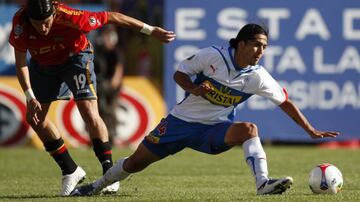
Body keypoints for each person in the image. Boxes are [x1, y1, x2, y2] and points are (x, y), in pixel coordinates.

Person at [71, 23, 339, 197]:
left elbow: (286, 103)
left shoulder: (258, 76)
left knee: (249, 129)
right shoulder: (213, 56)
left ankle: (263, 183)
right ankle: (96, 187)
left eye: (265, 47)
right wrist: (194, 88)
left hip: (212, 130)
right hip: (179, 123)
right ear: (242, 44)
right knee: (135, 163)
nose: (260, 51)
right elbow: (179, 74)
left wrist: (311, 130)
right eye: (256, 44)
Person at [8, 0, 175, 196]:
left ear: (54, 13)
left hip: (76, 59)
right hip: (44, 66)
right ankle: (70, 170)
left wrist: (150, 30)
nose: (43, 28)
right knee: (35, 119)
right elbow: (21, 63)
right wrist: (29, 96)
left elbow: (113, 17)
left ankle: (108, 170)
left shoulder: (71, 16)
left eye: (47, 21)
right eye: (38, 23)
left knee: (88, 111)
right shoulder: (20, 23)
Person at [93, 25, 124, 142]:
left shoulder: (117, 52)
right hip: (100, 85)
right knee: (99, 111)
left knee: (110, 110)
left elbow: (118, 71)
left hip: (111, 87)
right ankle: (99, 136)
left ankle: (112, 136)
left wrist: (111, 86)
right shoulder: (99, 52)